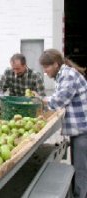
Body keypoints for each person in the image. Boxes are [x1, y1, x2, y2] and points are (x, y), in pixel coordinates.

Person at [38, 49, 87, 198]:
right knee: (77, 166)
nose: (45, 71)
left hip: (83, 129)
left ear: (56, 64)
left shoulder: (69, 75)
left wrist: (40, 100)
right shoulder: (63, 75)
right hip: (78, 129)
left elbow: (59, 100)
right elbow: (58, 96)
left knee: (81, 168)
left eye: (47, 67)